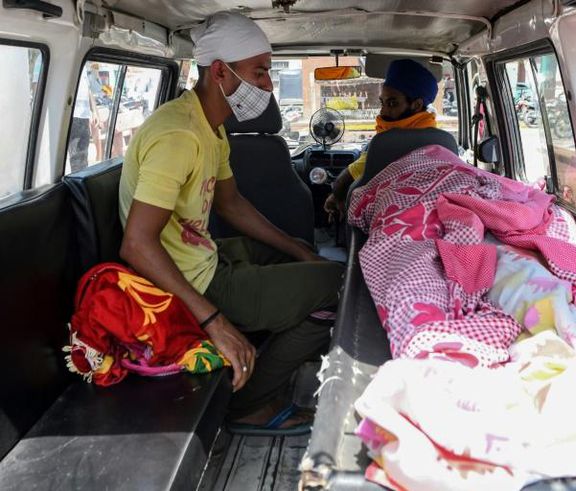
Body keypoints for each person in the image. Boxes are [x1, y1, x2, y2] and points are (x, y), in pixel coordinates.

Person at [118, 11, 344, 433]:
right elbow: (137, 245)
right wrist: (214, 322)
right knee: (336, 287)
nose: (268, 86)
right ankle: (248, 403)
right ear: (220, 71)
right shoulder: (178, 135)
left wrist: (299, 250)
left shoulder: (209, 125)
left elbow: (231, 203)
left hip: (206, 258)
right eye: (259, 73)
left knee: (299, 251)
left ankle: (275, 333)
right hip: (186, 282)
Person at [323, 59, 439, 220]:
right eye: (382, 102)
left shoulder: (385, 144)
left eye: (392, 103)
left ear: (416, 105)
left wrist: (336, 197)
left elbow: (341, 184)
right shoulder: (443, 141)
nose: (382, 112)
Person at [68, 71, 100, 172]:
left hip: (83, 117)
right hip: (72, 116)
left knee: (82, 158)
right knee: (76, 159)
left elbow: (88, 90)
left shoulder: (83, 67)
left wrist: (94, 111)